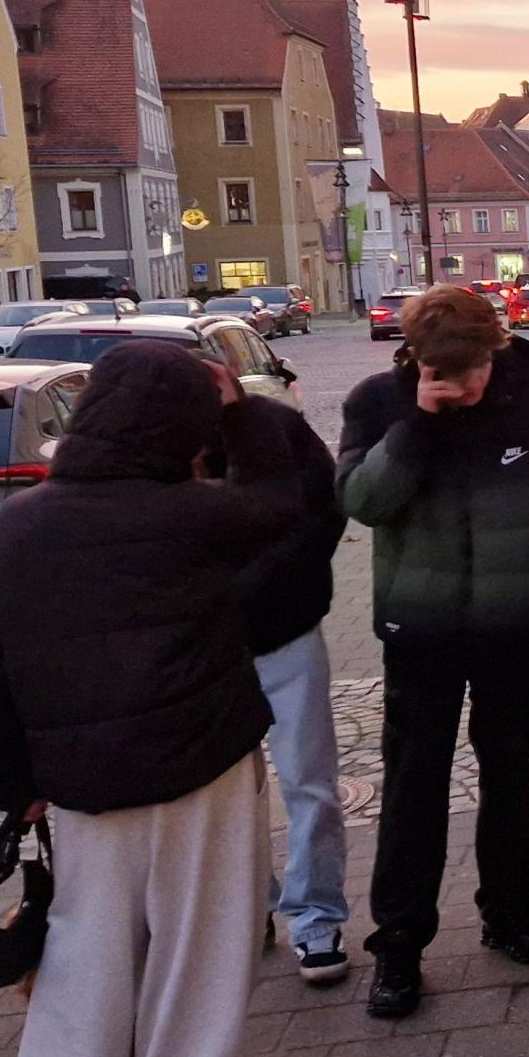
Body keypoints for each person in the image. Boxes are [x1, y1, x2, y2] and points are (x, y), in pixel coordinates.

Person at [0, 343, 302, 1057]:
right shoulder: (191, 514)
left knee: (83, 952)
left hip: (81, 782)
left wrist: (13, 788)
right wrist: (244, 412)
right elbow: (283, 505)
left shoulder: (21, 524)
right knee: (203, 943)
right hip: (202, 765)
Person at [338, 285, 529, 1019]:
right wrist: (416, 423)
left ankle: (509, 912)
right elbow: (363, 502)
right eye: (446, 372)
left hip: (507, 620)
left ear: (493, 349)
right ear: (414, 359)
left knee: (508, 767)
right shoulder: (380, 403)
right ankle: (400, 943)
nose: (464, 385)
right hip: (421, 627)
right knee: (415, 780)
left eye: (472, 369)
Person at [227, 396, 350, 983]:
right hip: (205, 649)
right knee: (226, 794)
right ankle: (249, 907)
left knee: (309, 781)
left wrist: (290, 583)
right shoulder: (157, 440)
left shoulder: (277, 428)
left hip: (285, 631)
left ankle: (315, 918)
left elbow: (325, 512)